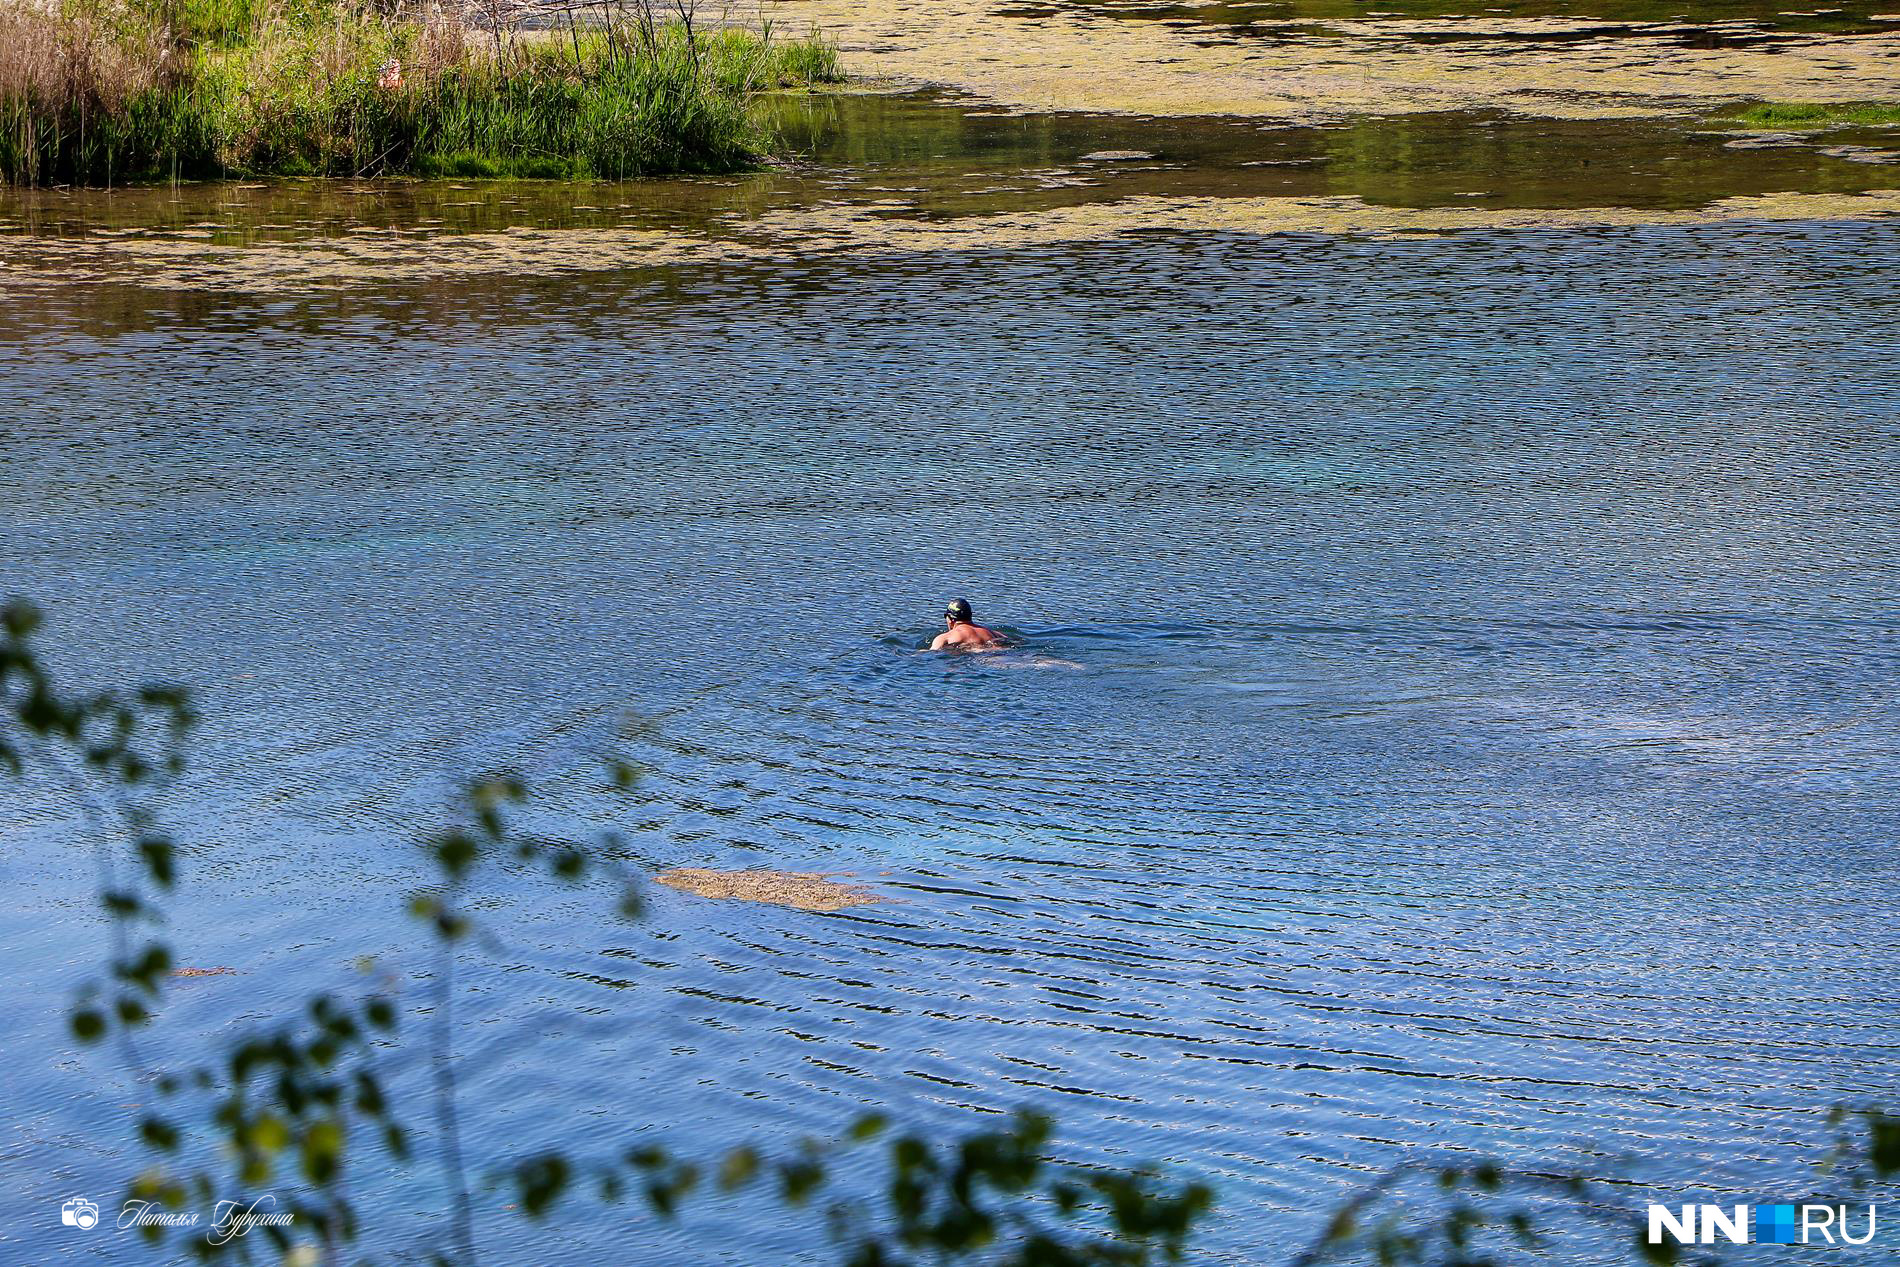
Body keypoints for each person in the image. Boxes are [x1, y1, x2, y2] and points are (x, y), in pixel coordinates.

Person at [930, 598, 1006, 651]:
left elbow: (933, 652)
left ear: (950, 619)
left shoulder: (945, 637)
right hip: (996, 651)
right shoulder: (994, 633)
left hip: (971, 655)